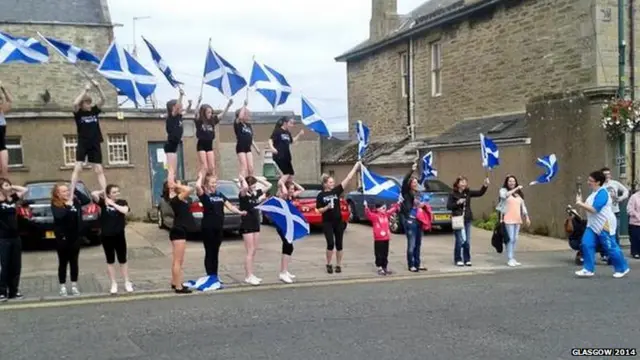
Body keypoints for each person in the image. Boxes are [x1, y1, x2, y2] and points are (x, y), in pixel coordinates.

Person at [574, 170, 630, 278]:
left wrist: (580, 203)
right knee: (586, 243)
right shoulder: (593, 194)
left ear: (598, 182)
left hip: (605, 224)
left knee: (610, 247)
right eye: (588, 180)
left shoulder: (603, 193)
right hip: (593, 225)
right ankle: (588, 269)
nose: (588, 182)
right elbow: (588, 207)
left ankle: (622, 268)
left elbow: (595, 209)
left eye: (591, 181)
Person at [195, 172, 246, 279]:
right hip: (208, 227)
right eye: (212, 182)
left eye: (215, 182)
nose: (214, 184)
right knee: (209, 252)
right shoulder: (204, 195)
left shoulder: (219, 194)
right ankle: (210, 275)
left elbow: (229, 206)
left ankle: (215, 275)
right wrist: (200, 177)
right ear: (207, 184)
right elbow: (197, 186)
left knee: (216, 252)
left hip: (219, 227)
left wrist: (239, 212)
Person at [317, 161, 361, 274]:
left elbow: (348, 178)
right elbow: (319, 210)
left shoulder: (336, 191)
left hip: (338, 222)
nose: (333, 183)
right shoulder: (320, 195)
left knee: (339, 244)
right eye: (330, 182)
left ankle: (338, 265)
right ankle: (328, 263)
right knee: (330, 243)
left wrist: (355, 166)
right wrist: (326, 207)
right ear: (325, 183)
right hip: (327, 222)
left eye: (333, 182)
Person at [51, 183, 92, 296]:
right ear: (57, 194)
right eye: (63, 191)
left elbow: (86, 200)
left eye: (67, 190)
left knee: (74, 262)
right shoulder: (56, 204)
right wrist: (68, 206)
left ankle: (74, 285)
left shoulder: (75, 201)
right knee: (63, 263)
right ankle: (62, 286)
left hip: (75, 237)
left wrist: (75, 191)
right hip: (62, 238)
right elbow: (59, 216)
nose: (67, 193)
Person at [91, 185, 133, 294]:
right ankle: (113, 283)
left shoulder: (122, 202)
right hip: (106, 236)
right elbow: (93, 194)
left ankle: (127, 282)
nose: (117, 194)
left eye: (117, 192)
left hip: (119, 235)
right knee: (110, 261)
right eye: (114, 192)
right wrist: (103, 192)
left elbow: (125, 211)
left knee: (122, 260)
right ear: (109, 194)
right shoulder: (102, 202)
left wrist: (113, 204)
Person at [71, 81, 107, 193]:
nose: (89, 105)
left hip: (95, 142)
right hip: (83, 142)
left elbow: (104, 100)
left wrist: (98, 87)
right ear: (82, 105)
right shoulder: (79, 114)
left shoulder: (94, 111)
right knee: (78, 167)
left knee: (99, 169)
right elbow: (75, 103)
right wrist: (85, 90)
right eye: (87, 103)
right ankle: (71, 192)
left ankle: (105, 194)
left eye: (90, 103)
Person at [446, 175, 489, 267]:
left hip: (467, 219)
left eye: (465, 182)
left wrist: (485, 185)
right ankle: (458, 259)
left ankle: (467, 259)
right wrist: (457, 203)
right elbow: (449, 206)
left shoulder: (468, 192)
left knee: (467, 240)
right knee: (459, 240)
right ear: (457, 183)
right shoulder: (453, 194)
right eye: (462, 182)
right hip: (458, 219)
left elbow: (480, 193)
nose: (464, 184)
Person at [238, 175, 271, 285]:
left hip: (255, 223)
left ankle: (251, 273)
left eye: (255, 185)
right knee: (250, 251)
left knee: (254, 250)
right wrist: (244, 180)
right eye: (253, 185)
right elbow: (245, 189)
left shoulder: (256, 193)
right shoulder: (243, 195)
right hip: (247, 224)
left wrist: (258, 178)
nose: (254, 187)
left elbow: (269, 185)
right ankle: (248, 276)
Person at [163, 180, 194, 294]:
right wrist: (176, 185)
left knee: (178, 260)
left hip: (180, 230)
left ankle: (174, 281)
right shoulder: (176, 199)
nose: (180, 184)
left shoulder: (179, 198)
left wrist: (176, 185)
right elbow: (190, 189)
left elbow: (188, 190)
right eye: (178, 183)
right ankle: (178, 287)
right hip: (178, 231)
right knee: (178, 260)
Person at [0, 178, 27, 301]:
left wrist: (11, 187)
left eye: (9, 185)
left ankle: (13, 291)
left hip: (15, 237)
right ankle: (2, 292)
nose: (8, 187)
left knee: (16, 266)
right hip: (3, 238)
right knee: (4, 266)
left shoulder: (12, 199)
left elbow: (24, 189)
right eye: (5, 185)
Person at [495, 175, 531, 267]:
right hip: (507, 218)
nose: (512, 183)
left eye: (513, 181)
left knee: (515, 239)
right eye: (510, 181)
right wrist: (515, 189)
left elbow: (523, 206)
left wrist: (526, 217)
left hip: (517, 218)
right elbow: (504, 196)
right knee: (510, 239)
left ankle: (513, 257)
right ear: (507, 182)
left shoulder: (518, 194)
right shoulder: (503, 190)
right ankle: (510, 258)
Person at [194, 97, 233, 177]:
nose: (210, 114)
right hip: (201, 145)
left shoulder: (212, 120)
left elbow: (222, 115)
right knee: (204, 166)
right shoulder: (199, 120)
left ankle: (212, 182)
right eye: (208, 113)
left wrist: (228, 105)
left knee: (212, 167)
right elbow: (195, 113)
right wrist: (198, 102)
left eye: (211, 113)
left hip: (209, 145)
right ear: (204, 113)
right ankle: (200, 182)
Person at [275, 181, 305, 284]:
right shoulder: (283, 196)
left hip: (288, 225)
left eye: (293, 189)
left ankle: (285, 270)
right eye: (291, 189)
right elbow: (282, 190)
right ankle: (282, 273)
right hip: (282, 226)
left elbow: (302, 190)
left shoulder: (291, 196)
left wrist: (293, 182)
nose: (292, 190)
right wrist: (283, 183)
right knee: (288, 245)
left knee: (289, 246)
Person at [399, 162, 427, 272]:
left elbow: (420, 205)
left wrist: (423, 206)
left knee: (418, 244)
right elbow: (405, 181)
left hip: (419, 220)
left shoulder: (418, 194)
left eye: (416, 182)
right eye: (413, 182)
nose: (415, 184)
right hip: (410, 221)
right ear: (410, 184)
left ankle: (417, 263)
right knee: (412, 243)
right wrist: (412, 170)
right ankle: (411, 265)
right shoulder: (406, 192)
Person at [268, 117, 304, 196]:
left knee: (291, 175)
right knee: (287, 173)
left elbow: (292, 141)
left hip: (287, 156)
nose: (292, 125)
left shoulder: (287, 133)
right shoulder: (278, 131)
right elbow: (270, 140)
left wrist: (299, 135)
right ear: (285, 123)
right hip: (280, 155)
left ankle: (286, 192)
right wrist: (272, 148)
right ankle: (280, 185)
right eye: (290, 123)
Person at [363, 200, 399, 276]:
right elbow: (368, 214)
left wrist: (398, 203)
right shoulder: (375, 216)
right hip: (378, 238)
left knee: (385, 253)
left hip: (386, 238)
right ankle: (379, 267)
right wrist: (366, 206)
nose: (384, 209)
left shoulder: (386, 215)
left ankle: (384, 266)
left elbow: (392, 210)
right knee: (379, 253)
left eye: (385, 208)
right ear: (378, 209)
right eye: (382, 208)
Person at [601, 167, 629, 246]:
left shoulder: (615, 183)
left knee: (615, 232)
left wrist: (621, 198)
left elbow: (626, 191)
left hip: (615, 212)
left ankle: (616, 251)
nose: (607, 176)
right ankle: (605, 253)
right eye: (605, 174)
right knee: (605, 232)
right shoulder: (600, 185)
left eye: (608, 174)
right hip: (604, 213)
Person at [164, 88, 185, 188]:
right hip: (170, 145)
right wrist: (180, 95)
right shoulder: (172, 116)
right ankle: (171, 190)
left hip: (174, 145)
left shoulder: (179, 117)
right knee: (171, 170)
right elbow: (177, 107)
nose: (181, 108)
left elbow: (185, 110)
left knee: (174, 171)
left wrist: (190, 104)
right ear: (173, 108)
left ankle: (173, 186)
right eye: (179, 107)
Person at [235, 100, 261, 178]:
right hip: (241, 147)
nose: (248, 116)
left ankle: (251, 186)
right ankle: (242, 184)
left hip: (248, 148)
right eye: (246, 114)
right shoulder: (237, 123)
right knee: (244, 167)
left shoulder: (248, 125)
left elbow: (251, 138)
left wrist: (256, 148)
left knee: (251, 168)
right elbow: (240, 117)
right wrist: (244, 105)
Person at [0, 82, 13, 178]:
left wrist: (3, 88)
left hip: (1, 147)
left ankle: (3, 186)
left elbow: (10, 101)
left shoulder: (1, 112)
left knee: (4, 168)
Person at [626, 189, 640, 259]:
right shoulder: (634, 197)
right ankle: (635, 252)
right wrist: (636, 215)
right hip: (635, 222)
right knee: (636, 237)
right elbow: (629, 209)